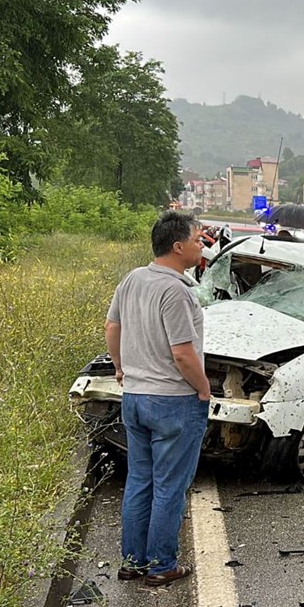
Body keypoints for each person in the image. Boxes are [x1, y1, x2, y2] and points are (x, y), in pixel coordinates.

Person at [106, 211, 210, 586]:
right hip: (173, 401)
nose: (202, 245)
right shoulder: (176, 291)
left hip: (134, 397)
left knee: (140, 480)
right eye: (198, 239)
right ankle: (162, 565)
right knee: (169, 486)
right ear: (178, 246)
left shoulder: (133, 279)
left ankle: (132, 561)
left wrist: (120, 367)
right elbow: (183, 353)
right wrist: (203, 388)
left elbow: (112, 325)